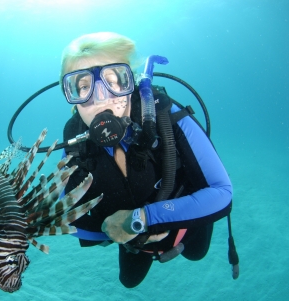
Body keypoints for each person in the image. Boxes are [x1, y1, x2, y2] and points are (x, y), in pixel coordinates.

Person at [60, 32, 233, 288]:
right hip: (133, 243)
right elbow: (71, 217)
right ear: (71, 97)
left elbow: (222, 192)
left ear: (131, 83)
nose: (100, 97)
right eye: (83, 86)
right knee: (128, 281)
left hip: (185, 223)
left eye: (113, 79)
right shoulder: (74, 143)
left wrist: (142, 219)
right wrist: (116, 233)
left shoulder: (166, 115)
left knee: (196, 253)